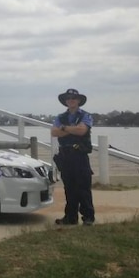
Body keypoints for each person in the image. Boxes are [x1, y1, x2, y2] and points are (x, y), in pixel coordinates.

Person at [51, 88, 95, 226]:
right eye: (68, 98)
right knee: (69, 188)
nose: (71, 100)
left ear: (79, 101)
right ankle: (70, 217)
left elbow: (82, 131)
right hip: (65, 156)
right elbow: (54, 132)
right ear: (65, 101)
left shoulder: (86, 116)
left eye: (74, 98)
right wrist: (72, 129)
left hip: (80, 156)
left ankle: (88, 217)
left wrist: (64, 128)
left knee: (83, 187)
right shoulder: (60, 117)